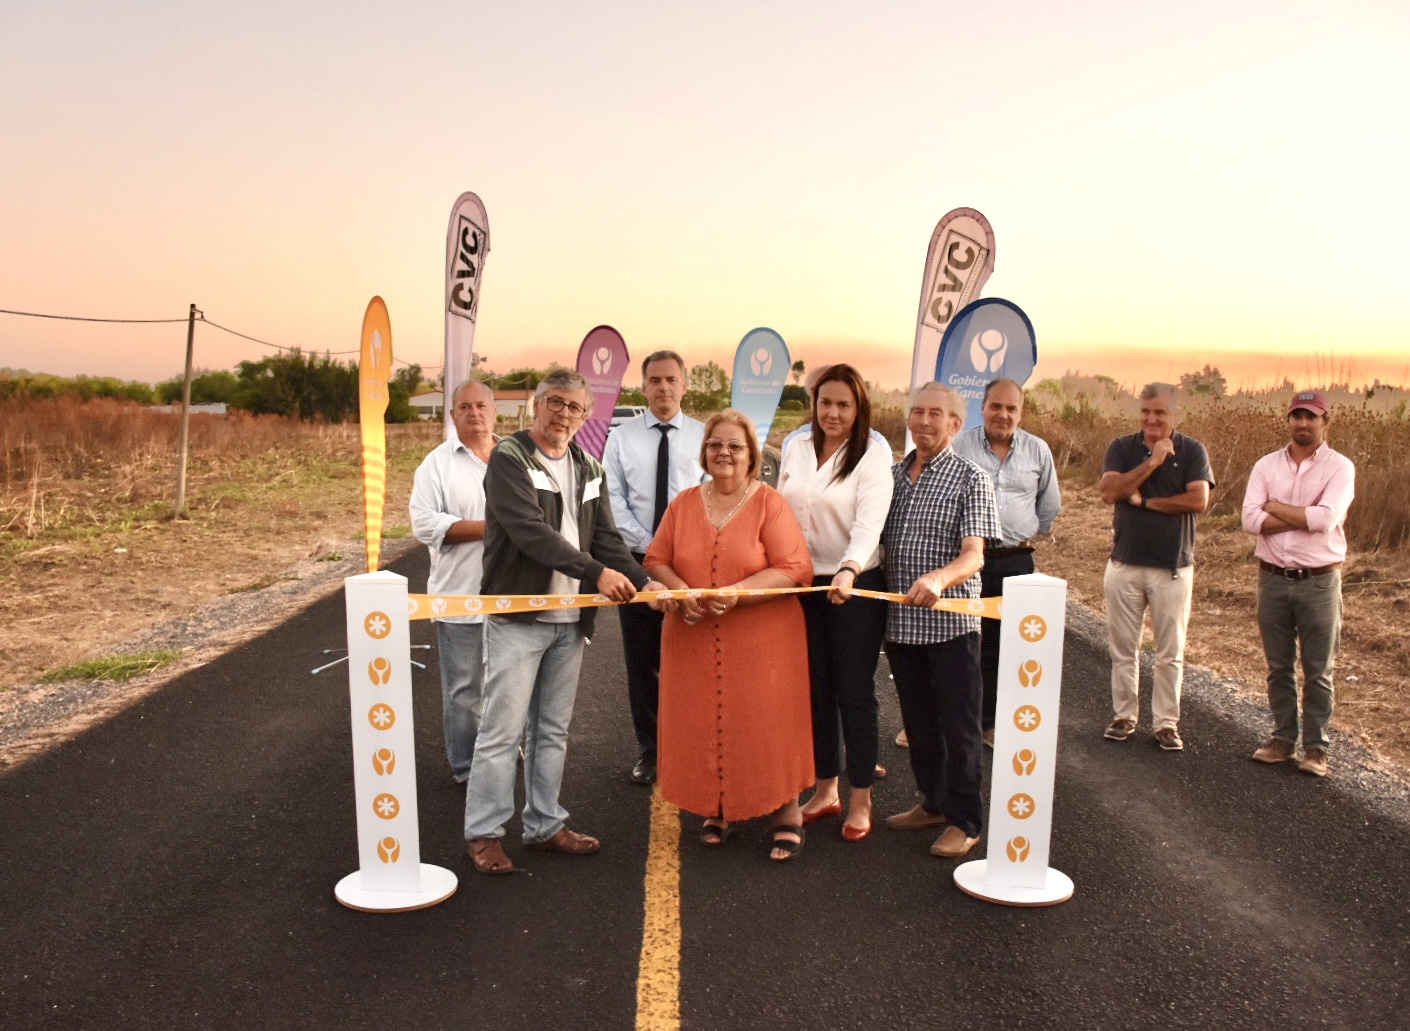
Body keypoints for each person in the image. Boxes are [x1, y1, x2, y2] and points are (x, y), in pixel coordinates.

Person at [463, 370, 664, 875]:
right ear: (536, 405)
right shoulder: (509, 458)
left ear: (586, 415)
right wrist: (597, 574)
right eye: (556, 403)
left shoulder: (589, 466)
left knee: (552, 730)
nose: (565, 414)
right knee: (501, 732)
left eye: (575, 408)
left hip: (570, 621)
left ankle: (545, 824)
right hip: (518, 617)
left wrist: (644, 583)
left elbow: (608, 539)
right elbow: (531, 533)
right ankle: (485, 833)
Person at [645, 409, 815, 862]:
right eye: (716, 444)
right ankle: (717, 807)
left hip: (763, 639)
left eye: (734, 446)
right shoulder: (682, 503)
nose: (724, 452)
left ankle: (786, 814)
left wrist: (738, 593)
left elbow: (795, 568)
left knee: (767, 720)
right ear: (704, 452)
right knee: (704, 720)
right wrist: (682, 593)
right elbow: (656, 558)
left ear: (751, 455)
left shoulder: (768, 503)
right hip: (694, 634)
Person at [881, 382, 1000, 859]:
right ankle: (932, 803)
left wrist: (940, 578)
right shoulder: (890, 476)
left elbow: (974, 556)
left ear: (956, 423)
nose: (925, 421)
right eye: (918, 412)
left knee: (960, 727)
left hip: (951, 626)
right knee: (919, 723)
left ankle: (966, 820)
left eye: (937, 414)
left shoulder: (972, 478)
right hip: (902, 627)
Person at [778, 364, 894, 841]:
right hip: (803, 587)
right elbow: (780, 511)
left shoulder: (872, 452)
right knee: (816, 692)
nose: (833, 412)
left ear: (858, 407)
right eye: (826, 402)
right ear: (815, 403)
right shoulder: (795, 445)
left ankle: (861, 798)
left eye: (844, 404)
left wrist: (848, 568)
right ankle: (826, 790)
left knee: (854, 692)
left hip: (854, 587)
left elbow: (869, 523)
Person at [602, 350, 706, 786]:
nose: (663, 388)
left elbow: (710, 495)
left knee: (695, 663)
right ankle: (652, 751)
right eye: (655, 381)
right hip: (637, 566)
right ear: (642, 387)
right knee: (642, 662)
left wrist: (677, 549)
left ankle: (694, 749)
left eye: (671, 380)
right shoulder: (621, 438)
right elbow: (613, 499)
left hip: (692, 565)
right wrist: (651, 549)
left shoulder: (704, 436)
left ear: (685, 386)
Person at [1241, 389, 1355, 778]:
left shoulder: (1340, 468)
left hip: (1319, 582)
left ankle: (1316, 748)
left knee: (1318, 668)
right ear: (1288, 420)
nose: (1303, 423)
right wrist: (1300, 515)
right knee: (1278, 667)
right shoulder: (1266, 466)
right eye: (1297, 416)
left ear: (1326, 421)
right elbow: (1248, 521)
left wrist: (1274, 508)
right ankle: (1282, 740)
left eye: (1311, 416)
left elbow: (1326, 519)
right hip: (1272, 578)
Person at [1099, 383, 1213, 751]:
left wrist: (1145, 503)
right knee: (1123, 647)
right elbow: (1109, 492)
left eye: (1160, 412)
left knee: (1169, 651)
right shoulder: (1122, 447)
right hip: (1124, 563)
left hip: (1172, 567)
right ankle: (1123, 716)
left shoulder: (1194, 450)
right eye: (1146, 411)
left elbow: (1198, 500)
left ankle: (1166, 723)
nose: (1152, 418)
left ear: (1175, 415)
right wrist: (1153, 462)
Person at [951, 378, 1061, 748]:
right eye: (996, 406)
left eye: (1011, 408)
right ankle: (945, 721)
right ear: (982, 408)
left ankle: (989, 723)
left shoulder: (1038, 451)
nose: (1003, 414)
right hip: (966, 561)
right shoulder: (960, 445)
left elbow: (1049, 505)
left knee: (1004, 648)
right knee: (957, 644)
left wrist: (1023, 532)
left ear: (1021, 412)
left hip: (1014, 560)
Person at [409, 379, 497, 783]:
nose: (474, 413)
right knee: (464, 692)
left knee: (507, 688)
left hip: (512, 597)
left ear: (495, 411)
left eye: (481, 405)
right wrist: (492, 527)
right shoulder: (436, 465)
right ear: (452, 414)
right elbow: (424, 523)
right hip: (459, 597)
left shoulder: (514, 458)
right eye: (465, 407)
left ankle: (500, 752)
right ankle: (466, 768)